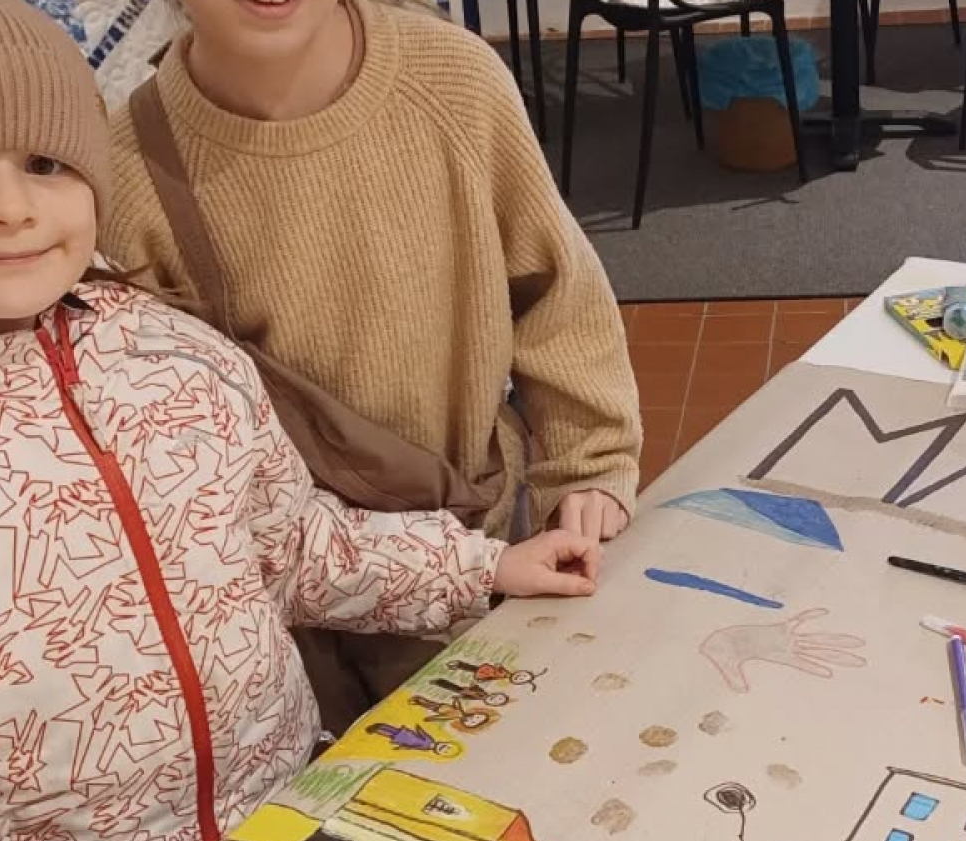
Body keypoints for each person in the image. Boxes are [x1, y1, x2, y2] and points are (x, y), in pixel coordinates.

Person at [0, 0, 603, 841]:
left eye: (45, 163)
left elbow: (292, 546)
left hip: (284, 833)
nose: (8, 208)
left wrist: (482, 567)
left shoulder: (180, 357)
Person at [100, 0, 644, 731]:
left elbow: (556, 286)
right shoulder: (127, 168)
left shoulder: (454, 79)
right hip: (298, 618)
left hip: (492, 542)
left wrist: (589, 459)